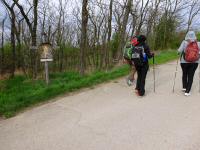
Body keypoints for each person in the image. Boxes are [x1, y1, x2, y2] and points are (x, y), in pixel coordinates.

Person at [178, 31, 200, 96]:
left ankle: (184, 87)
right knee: (191, 75)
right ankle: (187, 91)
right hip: (195, 62)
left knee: (184, 73)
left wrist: (179, 53)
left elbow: (179, 51)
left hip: (184, 62)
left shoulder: (184, 42)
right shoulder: (198, 43)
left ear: (187, 35)